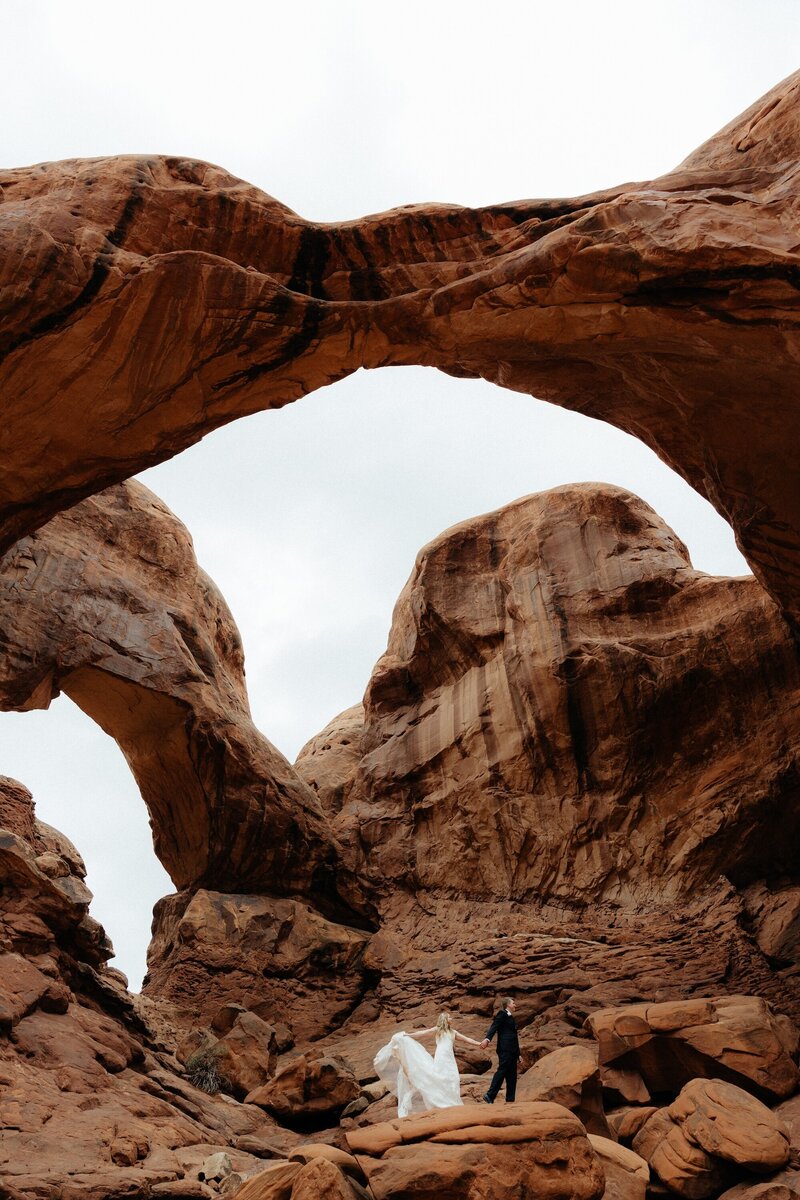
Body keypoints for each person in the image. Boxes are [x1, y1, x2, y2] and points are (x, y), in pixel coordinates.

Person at [374, 1012, 482, 1118]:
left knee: (453, 1078)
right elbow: (422, 1033)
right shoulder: (438, 1030)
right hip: (441, 1057)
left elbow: (467, 1039)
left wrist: (479, 1044)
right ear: (445, 1019)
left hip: (450, 1058)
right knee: (440, 1078)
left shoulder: (453, 1032)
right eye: (450, 1017)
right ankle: (442, 1102)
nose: (452, 1019)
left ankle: (452, 1100)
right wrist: (408, 1035)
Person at [480, 996, 520, 1103]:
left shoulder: (511, 1017)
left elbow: (515, 1037)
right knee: (502, 1071)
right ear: (507, 1005)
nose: (515, 1005)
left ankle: (510, 1099)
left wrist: (518, 1054)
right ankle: (490, 1095)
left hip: (512, 1051)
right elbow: (494, 1026)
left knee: (512, 1075)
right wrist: (487, 1039)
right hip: (504, 1049)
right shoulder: (502, 1014)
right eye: (513, 1003)